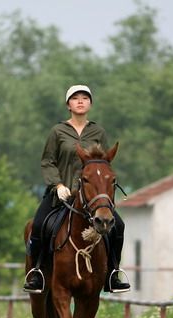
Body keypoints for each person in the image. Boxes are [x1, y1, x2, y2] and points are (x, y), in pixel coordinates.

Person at [23, 84, 130, 294]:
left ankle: (112, 273)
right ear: (68, 105)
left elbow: (104, 164)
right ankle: (37, 272)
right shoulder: (58, 131)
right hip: (60, 195)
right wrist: (58, 184)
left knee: (118, 225)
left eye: (85, 98)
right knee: (38, 225)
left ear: (90, 104)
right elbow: (47, 161)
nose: (80, 101)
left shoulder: (98, 132)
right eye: (75, 98)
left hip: (91, 197)